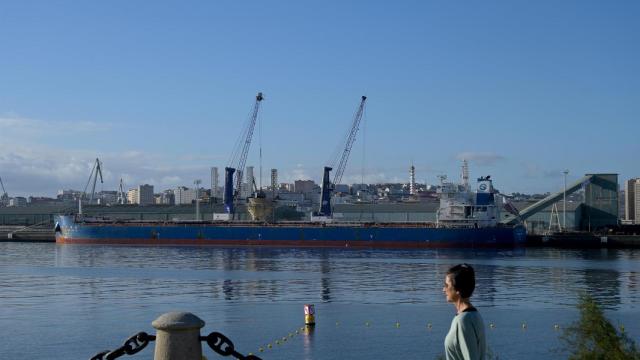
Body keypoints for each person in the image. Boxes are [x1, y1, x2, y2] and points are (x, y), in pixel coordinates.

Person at [443, 263, 486, 360]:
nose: (443, 289)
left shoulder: (462, 321)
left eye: (446, 285)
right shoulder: (475, 315)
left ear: (458, 289)